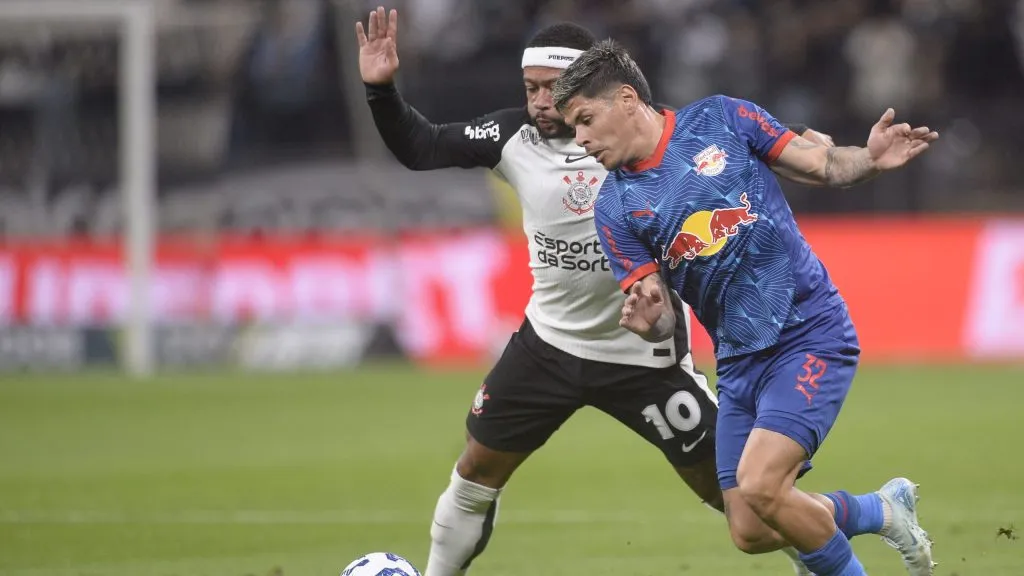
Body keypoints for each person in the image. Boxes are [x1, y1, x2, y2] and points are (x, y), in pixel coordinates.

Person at [356, 7, 832, 575]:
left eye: (550, 89)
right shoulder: (513, 136)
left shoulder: (637, 141)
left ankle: (827, 542)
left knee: (739, 503)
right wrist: (381, 89)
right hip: (548, 345)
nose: (536, 102)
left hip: (644, 355)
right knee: (476, 468)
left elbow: (732, 159)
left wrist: (806, 150)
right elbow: (422, 146)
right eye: (528, 88)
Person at [553, 39, 938, 576]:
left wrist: (870, 159)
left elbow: (822, 163)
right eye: (573, 127)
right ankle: (879, 509)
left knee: (761, 485)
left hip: (807, 332)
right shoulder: (614, 206)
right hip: (737, 361)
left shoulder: (721, 118)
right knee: (751, 528)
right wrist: (650, 324)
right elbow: (660, 312)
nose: (581, 139)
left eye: (586, 120)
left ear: (625, 99)